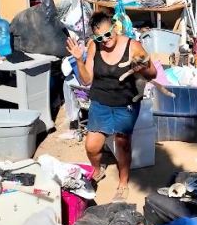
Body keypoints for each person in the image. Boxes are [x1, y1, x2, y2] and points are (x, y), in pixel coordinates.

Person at [66, 11, 157, 201]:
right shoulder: (94, 46)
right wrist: (78, 60)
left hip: (125, 103)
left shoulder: (133, 46)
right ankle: (97, 171)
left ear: (114, 28)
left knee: (122, 144)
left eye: (108, 34)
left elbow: (153, 74)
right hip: (100, 102)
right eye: (100, 37)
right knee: (91, 147)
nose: (105, 40)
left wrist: (143, 66)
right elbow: (85, 80)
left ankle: (123, 183)